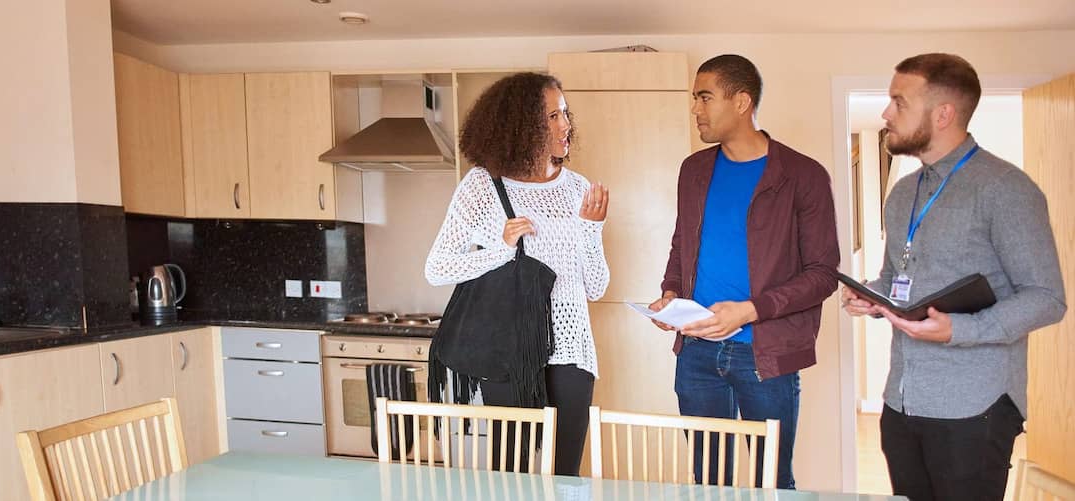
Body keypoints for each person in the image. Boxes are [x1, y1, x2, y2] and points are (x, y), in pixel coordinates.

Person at [841, 53, 1066, 501]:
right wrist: (873, 296)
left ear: (943, 114)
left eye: (898, 102)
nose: (886, 113)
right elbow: (894, 274)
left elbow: (1046, 298)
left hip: (974, 408)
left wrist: (958, 330)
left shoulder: (1005, 189)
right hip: (901, 400)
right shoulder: (905, 191)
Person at [648, 54, 839, 489]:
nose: (695, 109)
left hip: (765, 355)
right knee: (709, 481)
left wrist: (750, 311)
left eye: (704, 97)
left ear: (741, 102)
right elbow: (683, 244)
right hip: (696, 350)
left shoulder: (803, 176)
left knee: (773, 480)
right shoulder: (693, 170)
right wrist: (672, 293)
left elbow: (823, 273)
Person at [424, 72, 610, 476]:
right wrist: (500, 251)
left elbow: (595, 287)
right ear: (521, 124)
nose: (566, 125)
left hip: (572, 351)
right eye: (552, 116)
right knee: (511, 474)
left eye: (564, 113)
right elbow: (437, 267)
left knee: (565, 476)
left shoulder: (578, 188)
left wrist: (592, 230)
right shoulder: (480, 186)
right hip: (509, 349)